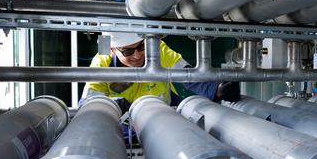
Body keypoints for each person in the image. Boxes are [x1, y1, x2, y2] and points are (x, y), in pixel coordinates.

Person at [79, 32, 240, 110]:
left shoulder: (157, 49)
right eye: (127, 51)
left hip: (163, 117)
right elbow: (89, 103)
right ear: (113, 50)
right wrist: (111, 105)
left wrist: (218, 89)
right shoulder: (102, 61)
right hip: (122, 127)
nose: (137, 55)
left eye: (142, 46)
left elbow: (187, 75)